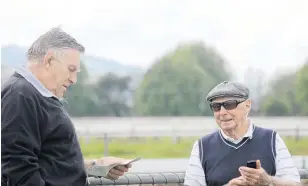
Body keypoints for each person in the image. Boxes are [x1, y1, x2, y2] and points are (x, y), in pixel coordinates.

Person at [1, 27, 132, 186]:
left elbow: (50, 162)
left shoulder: (39, 95)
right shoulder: (20, 95)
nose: (74, 79)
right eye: (71, 70)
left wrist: (95, 166)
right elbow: (18, 167)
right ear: (49, 60)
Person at [184, 81, 301, 186]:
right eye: (216, 106)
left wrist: (268, 181)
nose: (222, 112)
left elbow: (295, 183)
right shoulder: (202, 147)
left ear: (248, 105)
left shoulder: (272, 140)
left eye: (230, 104)